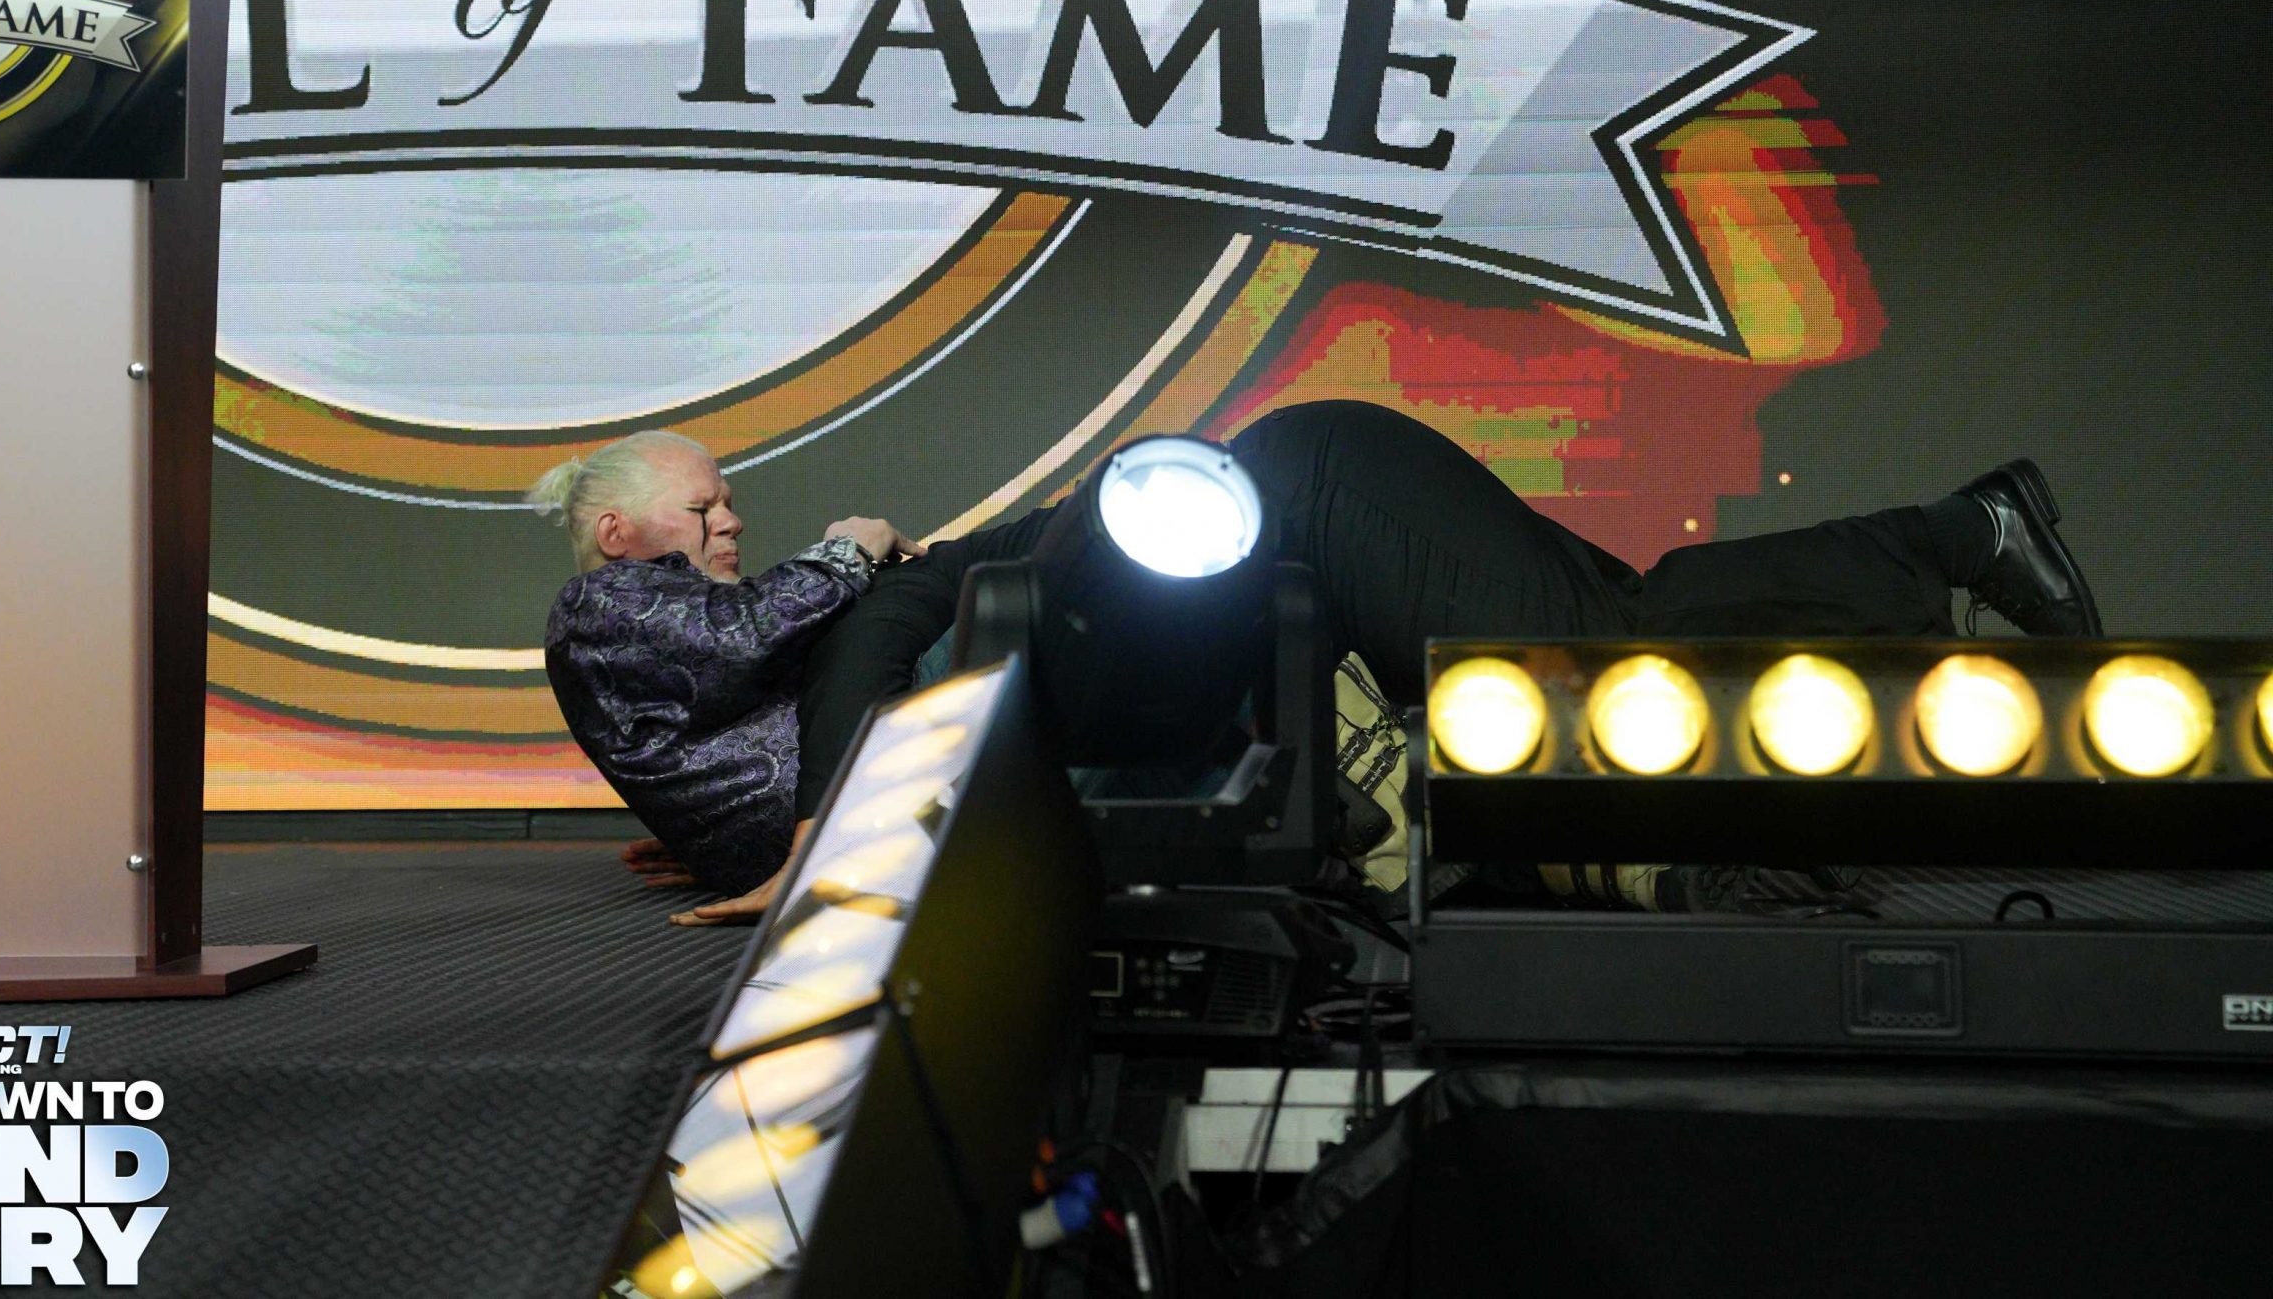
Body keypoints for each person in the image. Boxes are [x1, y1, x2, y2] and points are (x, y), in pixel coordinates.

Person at [540, 402, 2100, 925]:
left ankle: (1954, 535)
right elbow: (697, 713)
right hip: (1304, 543)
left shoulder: (888, 602)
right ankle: (1950, 554)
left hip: (1312, 489)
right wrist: (724, 831)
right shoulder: (674, 643)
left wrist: (814, 825)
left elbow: (877, 623)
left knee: (1603, 645)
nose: (735, 526)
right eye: (705, 509)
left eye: (730, 507)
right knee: (1603, 647)